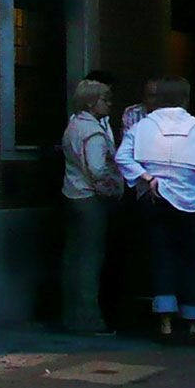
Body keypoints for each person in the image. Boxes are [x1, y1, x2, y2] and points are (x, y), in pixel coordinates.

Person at [115, 77, 195, 345]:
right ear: (185, 98)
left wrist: (146, 177)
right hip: (193, 203)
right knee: (192, 259)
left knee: (162, 257)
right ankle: (194, 321)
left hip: (155, 198)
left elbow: (122, 157)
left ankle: (165, 321)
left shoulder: (142, 126)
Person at [61, 79, 121, 334]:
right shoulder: (93, 132)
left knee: (73, 257)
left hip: (72, 193)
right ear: (91, 101)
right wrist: (112, 187)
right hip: (90, 199)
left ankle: (70, 314)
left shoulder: (73, 125)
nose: (109, 104)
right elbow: (97, 169)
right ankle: (88, 318)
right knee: (90, 259)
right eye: (105, 99)